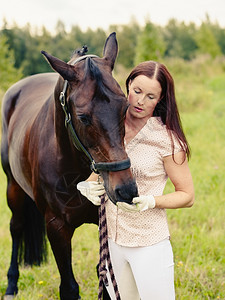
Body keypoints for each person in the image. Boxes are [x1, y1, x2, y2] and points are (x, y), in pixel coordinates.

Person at [77, 60, 195, 300]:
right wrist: (88, 183)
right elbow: (103, 166)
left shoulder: (166, 140)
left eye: (151, 96)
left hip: (148, 244)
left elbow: (187, 195)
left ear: (160, 100)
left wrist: (152, 201)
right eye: (137, 91)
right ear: (128, 86)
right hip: (112, 239)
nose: (140, 101)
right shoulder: (111, 126)